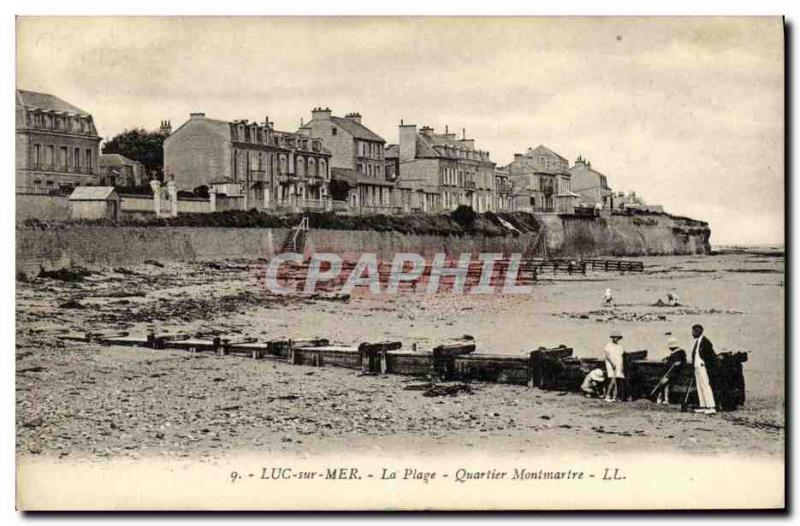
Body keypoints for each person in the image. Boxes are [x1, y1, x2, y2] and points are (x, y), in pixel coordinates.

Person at [690, 324, 717, 414]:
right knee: (699, 386)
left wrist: (706, 364)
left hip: (702, 366)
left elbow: (710, 356)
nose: (692, 333)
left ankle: (710, 406)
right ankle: (703, 405)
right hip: (697, 366)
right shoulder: (698, 341)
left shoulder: (706, 342)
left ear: (698, 331)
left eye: (693, 331)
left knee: (705, 386)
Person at [654, 337, 687, 405]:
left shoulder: (679, 352)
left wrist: (677, 363)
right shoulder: (677, 352)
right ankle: (664, 398)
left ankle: (662, 398)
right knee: (664, 383)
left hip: (675, 373)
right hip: (670, 373)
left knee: (664, 382)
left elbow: (680, 362)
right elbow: (672, 359)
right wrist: (667, 358)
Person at [604, 330, 625, 402]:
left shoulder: (620, 346)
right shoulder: (608, 345)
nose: (616, 339)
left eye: (618, 337)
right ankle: (607, 395)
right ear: (612, 338)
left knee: (617, 380)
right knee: (612, 380)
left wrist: (621, 366)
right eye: (615, 337)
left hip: (618, 364)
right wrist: (612, 363)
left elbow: (621, 357)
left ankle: (614, 397)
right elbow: (607, 356)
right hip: (611, 364)